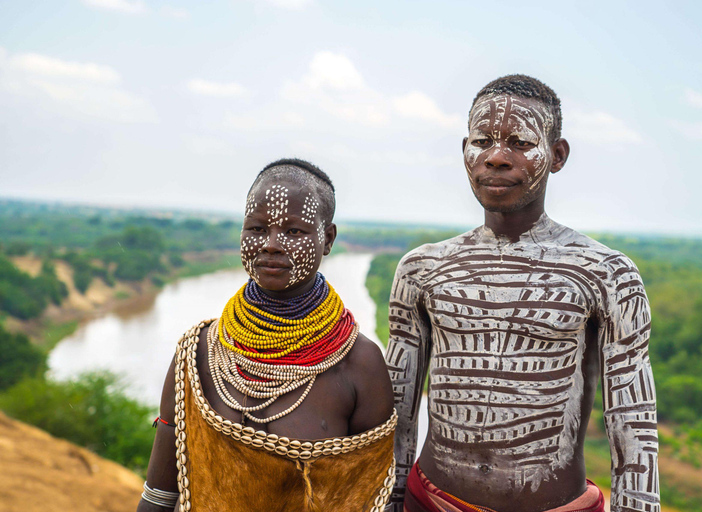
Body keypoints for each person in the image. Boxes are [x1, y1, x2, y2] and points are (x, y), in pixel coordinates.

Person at [385, 75, 659, 512]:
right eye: (482, 141)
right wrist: (392, 503)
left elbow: (631, 421)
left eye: (519, 142)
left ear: (557, 155)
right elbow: (398, 414)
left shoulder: (606, 275)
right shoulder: (422, 271)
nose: (496, 157)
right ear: (464, 151)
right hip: (429, 501)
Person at [138, 159, 396, 512]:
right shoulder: (198, 353)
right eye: (257, 228)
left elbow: (370, 499)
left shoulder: (358, 363)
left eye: (294, 232)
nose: (271, 244)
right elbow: (159, 495)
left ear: (328, 239)